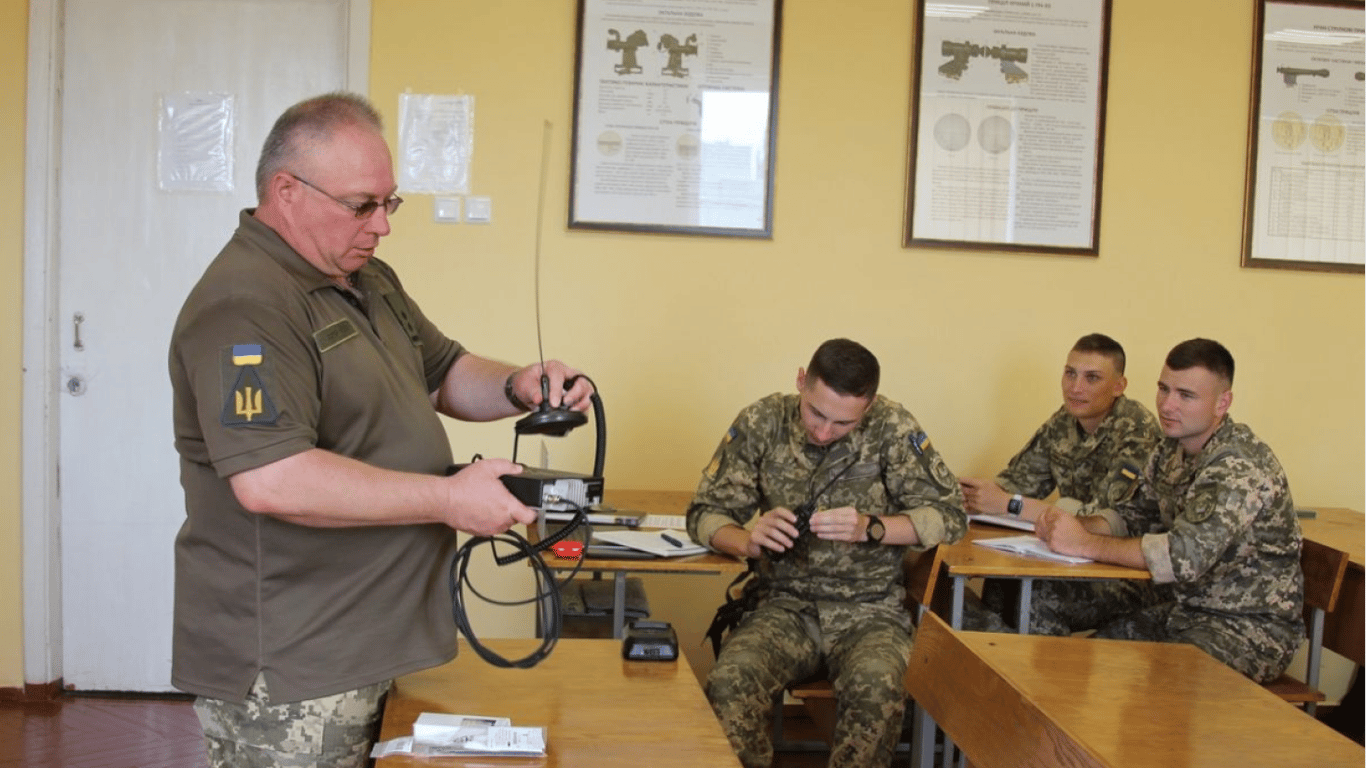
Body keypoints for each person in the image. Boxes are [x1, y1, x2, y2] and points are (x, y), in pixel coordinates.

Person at [167, 92, 596, 767]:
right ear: (287, 192)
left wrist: (521, 385)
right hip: (295, 666)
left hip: (372, 642)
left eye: (389, 204)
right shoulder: (245, 307)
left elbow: (444, 370)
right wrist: (448, 499)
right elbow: (272, 480)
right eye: (361, 205)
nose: (382, 225)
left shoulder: (363, 277)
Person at [686, 338, 967, 768]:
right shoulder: (763, 422)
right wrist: (746, 540)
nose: (823, 432)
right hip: (784, 606)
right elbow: (704, 513)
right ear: (801, 380)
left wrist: (871, 528)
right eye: (816, 413)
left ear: (868, 406)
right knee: (729, 681)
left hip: (870, 611)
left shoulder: (892, 427)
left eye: (842, 424)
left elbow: (950, 515)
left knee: (879, 688)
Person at [1027, 338, 1303, 683]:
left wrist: (1083, 543)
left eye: (1186, 396)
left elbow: (1180, 556)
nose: (1167, 405)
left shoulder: (1238, 465)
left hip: (1247, 627)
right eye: (1163, 389)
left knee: (1159, 681)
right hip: (1184, 609)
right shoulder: (1170, 450)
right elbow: (1132, 516)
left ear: (1223, 403)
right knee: (1088, 663)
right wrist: (1070, 526)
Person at [958, 333, 1160, 628]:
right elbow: (1015, 482)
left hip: (1130, 570)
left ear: (1119, 386)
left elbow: (1102, 522)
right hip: (1074, 556)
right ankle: (998, 667)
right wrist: (974, 496)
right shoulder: (1063, 422)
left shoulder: (1137, 430)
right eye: (1070, 374)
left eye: (1092, 378)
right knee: (1000, 581)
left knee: (1041, 596)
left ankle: (1038, 673)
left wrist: (1010, 504)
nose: (1075, 388)